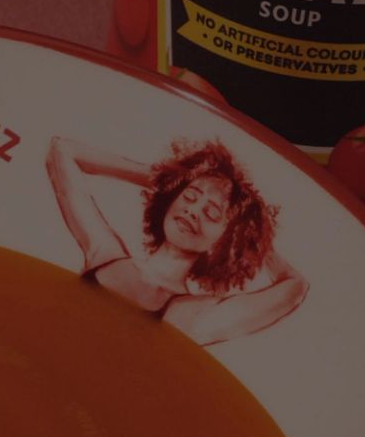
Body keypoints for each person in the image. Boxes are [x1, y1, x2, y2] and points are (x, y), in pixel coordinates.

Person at [45, 135, 307, 345]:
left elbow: (295, 286)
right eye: (190, 196)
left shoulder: (194, 316)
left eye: (211, 213)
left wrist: (252, 239)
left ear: (226, 240)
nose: (192, 211)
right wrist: (163, 180)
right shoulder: (106, 255)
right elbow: (62, 151)